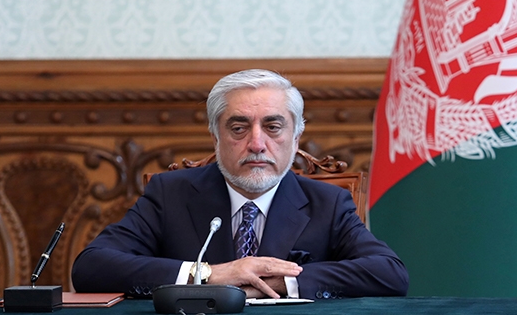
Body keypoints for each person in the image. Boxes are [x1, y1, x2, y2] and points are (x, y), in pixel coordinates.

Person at [73, 69, 408, 299]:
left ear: (296, 138)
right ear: (216, 137)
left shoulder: (328, 203)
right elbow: (92, 266)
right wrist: (208, 275)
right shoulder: (170, 194)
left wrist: (285, 281)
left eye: (273, 127)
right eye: (238, 128)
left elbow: (389, 274)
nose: (257, 144)